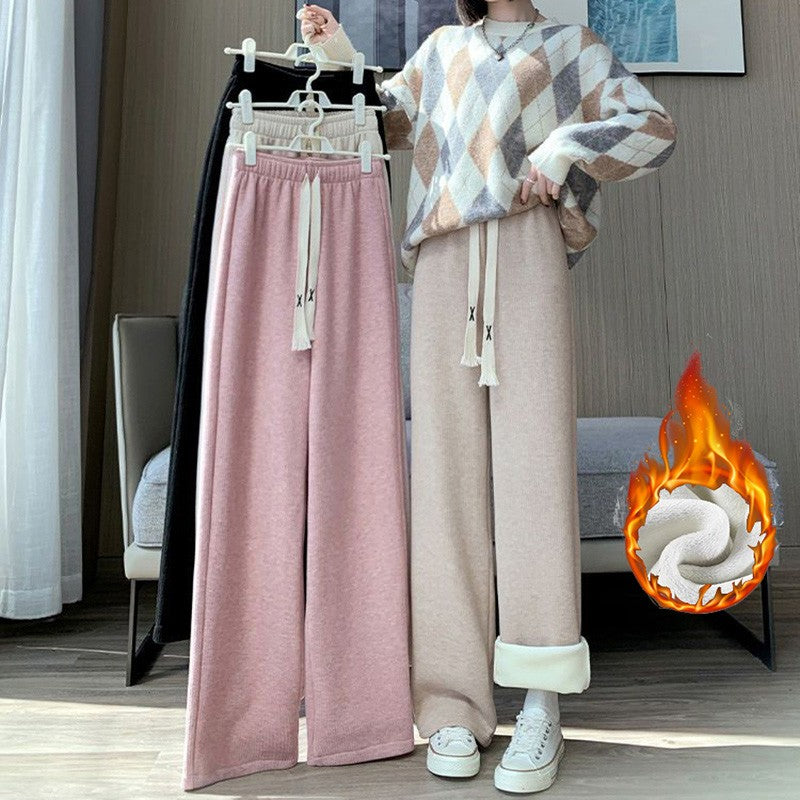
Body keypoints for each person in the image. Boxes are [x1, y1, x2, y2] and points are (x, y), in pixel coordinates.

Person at [299, 1, 678, 794]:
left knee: (536, 477)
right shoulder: (442, 49)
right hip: (442, 266)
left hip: (529, 254)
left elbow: (654, 127)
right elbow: (379, 123)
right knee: (444, 485)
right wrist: (338, 55)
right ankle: (450, 705)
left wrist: (566, 145)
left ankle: (542, 700)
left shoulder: (572, 47)